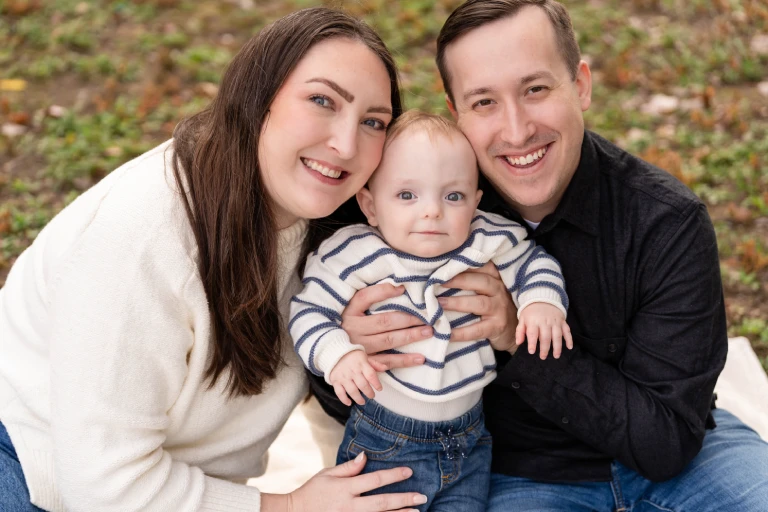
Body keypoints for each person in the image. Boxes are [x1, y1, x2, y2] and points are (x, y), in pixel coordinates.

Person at [308, 1, 768, 511]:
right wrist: (355, 346)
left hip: (681, 458)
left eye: (535, 89)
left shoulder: (666, 222)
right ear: (456, 112)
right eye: (484, 101)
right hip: (522, 473)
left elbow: (666, 442)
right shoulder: (422, 207)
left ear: (581, 85)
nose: (517, 130)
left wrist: (514, 335)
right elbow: (339, 386)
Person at [0, 7, 434, 512]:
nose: (345, 144)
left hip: (172, 485)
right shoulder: (141, 236)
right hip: (33, 462)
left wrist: (340, 359)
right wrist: (293, 506)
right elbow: (103, 486)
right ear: (257, 98)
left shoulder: (341, 224)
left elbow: (340, 403)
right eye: (321, 101)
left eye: (373, 122)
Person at [290, 110, 571, 511]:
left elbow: (533, 262)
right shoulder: (356, 252)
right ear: (370, 205)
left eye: (453, 196)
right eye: (407, 195)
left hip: (470, 439)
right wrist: (338, 354)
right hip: (386, 439)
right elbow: (309, 310)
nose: (432, 211)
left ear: (475, 203)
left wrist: (540, 301)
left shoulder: (484, 238)